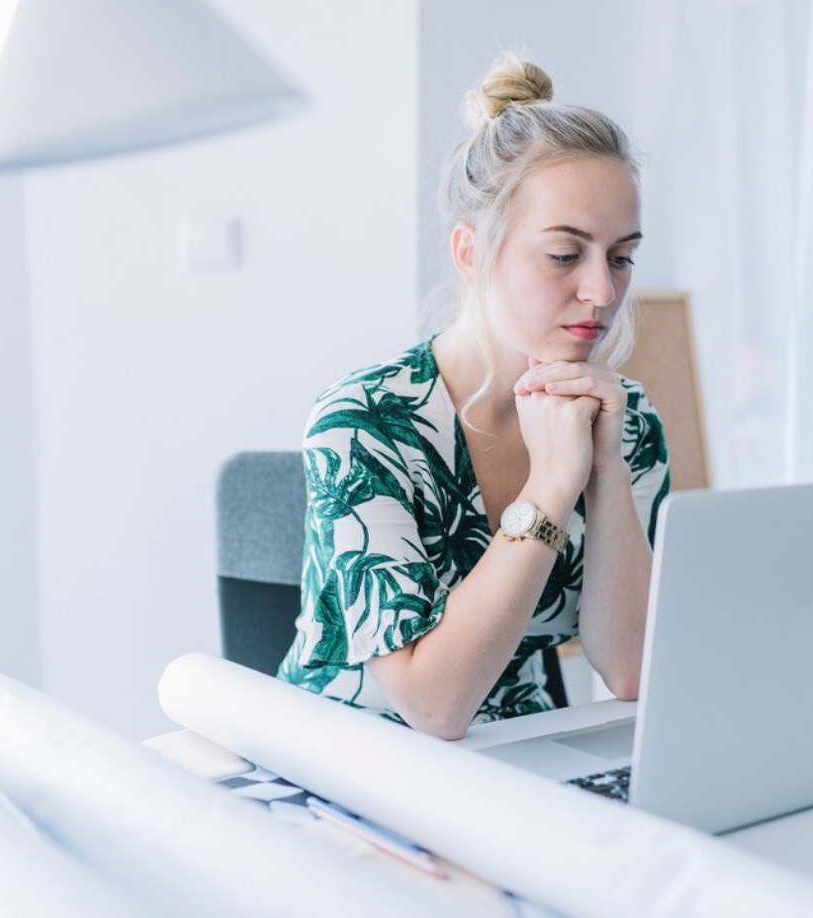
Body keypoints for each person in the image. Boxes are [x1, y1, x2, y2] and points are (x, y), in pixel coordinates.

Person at [277, 54, 670, 740]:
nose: (603, 293)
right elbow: (432, 708)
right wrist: (552, 485)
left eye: (621, 256)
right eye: (563, 254)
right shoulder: (363, 425)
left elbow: (633, 671)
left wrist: (605, 470)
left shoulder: (626, 422)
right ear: (471, 254)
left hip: (525, 758)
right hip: (344, 761)